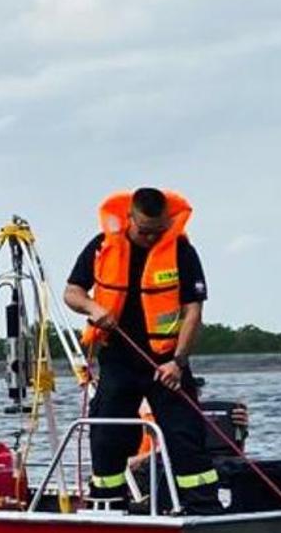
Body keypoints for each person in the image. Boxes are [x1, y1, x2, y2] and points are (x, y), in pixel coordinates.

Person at [63, 186, 223, 514]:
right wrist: (93, 309)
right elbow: (72, 292)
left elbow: (193, 312)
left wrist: (178, 362)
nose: (152, 238)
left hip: (166, 362)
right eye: (145, 231)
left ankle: (202, 507)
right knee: (107, 433)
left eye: (159, 231)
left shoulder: (181, 252)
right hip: (118, 358)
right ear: (131, 219)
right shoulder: (101, 247)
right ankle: (107, 503)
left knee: (185, 434)